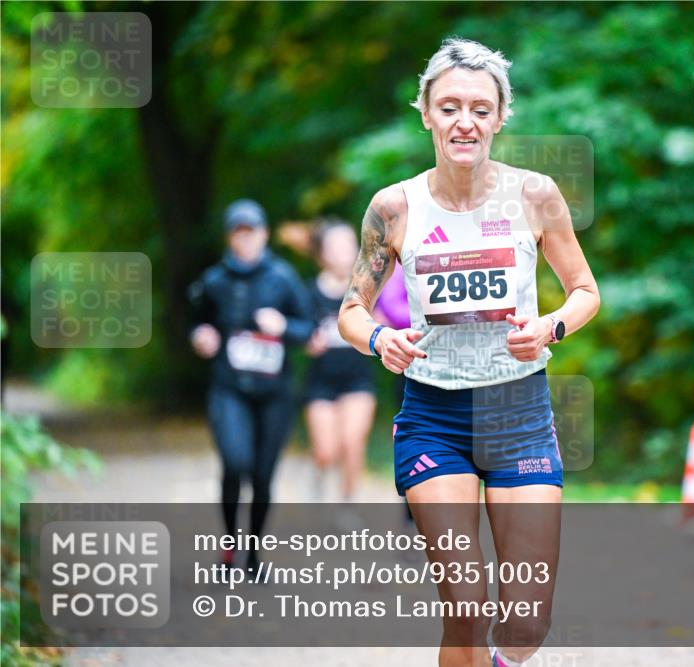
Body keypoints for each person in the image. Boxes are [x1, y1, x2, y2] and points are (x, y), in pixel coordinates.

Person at [338, 38, 600, 667]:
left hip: (520, 417)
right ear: (425, 112)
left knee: (525, 622)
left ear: (500, 117)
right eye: (450, 106)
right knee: (466, 601)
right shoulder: (395, 208)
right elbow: (350, 311)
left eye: (481, 109)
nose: (465, 122)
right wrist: (381, 339)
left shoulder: (535, 196)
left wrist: (551, 328)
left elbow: (585, 292)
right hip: (435, 417)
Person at [188, 199, 314, 574]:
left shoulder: (283, 277)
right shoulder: (213, 280)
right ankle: (229, 549)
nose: (245, 239)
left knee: (261, 475)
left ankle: (254, 552)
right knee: (235, 463)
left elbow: (309, 329)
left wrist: (284, 327)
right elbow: (196, 322)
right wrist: (201, 335)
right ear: (230, 237)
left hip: (275, 393)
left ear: (264, 234)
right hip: (230, 388)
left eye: (252, 231)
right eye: (238, 233)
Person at [303, 220, 377, 514]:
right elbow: (299, 330)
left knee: (352, 441)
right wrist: (307, 339)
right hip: (320, 383)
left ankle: (347, 503)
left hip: (358, 380)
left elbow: (385, 322)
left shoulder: (368, 288)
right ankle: (319, 472)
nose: (343, 252)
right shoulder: (309, 292)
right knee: (326, 451)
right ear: (322, 253)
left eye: (349, 245)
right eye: (335, 247)